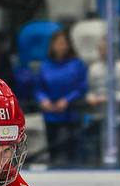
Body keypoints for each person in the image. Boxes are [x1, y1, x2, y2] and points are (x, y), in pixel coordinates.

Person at [33, 29, 87, 166]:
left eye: (63, 43)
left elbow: (81, 87)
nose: (60, 46)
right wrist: (43, 99)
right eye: (57, 43)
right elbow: (38, 88)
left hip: (71, 113)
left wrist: (67, 100)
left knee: (72, 153)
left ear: (68, 45)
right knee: (53, 151)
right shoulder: (45, 65)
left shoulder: (77, 64)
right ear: (52, 45)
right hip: (50, 114)